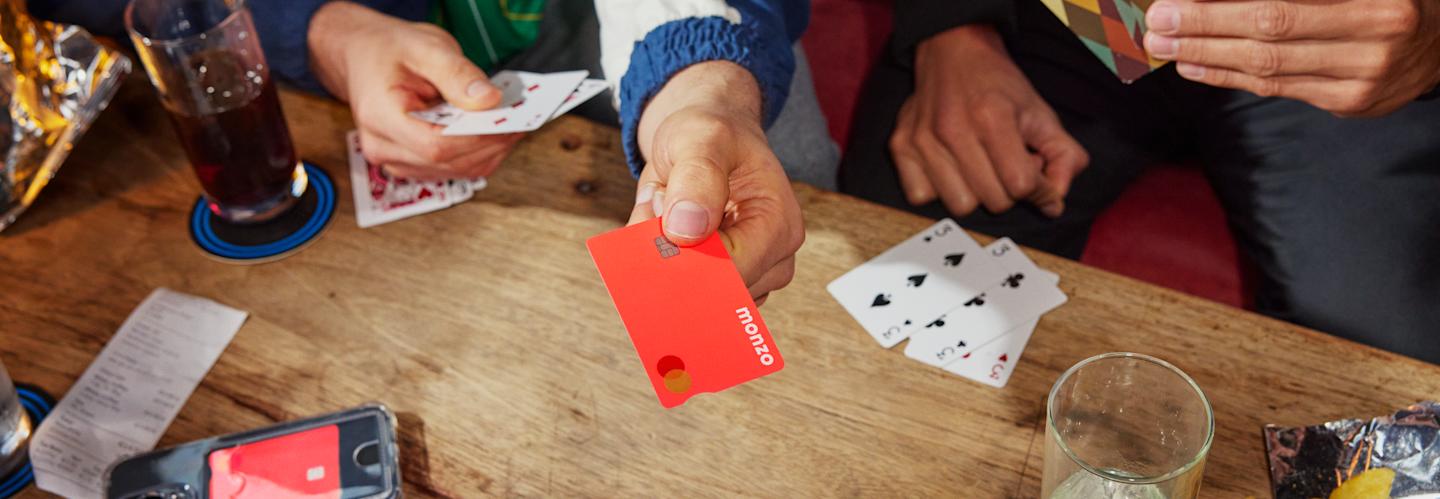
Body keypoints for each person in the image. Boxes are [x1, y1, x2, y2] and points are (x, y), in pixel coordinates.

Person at [31, 0, 824, 303]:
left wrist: (697, 82)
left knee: (798, 193)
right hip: (344, 72)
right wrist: (322, 31)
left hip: (661, 45)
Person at [837, 0, 1440, 363]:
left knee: (1390, 367)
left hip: (1342, 43)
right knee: (900, 300)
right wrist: (955, 27)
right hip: (1067, 17)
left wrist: (1432, 36)